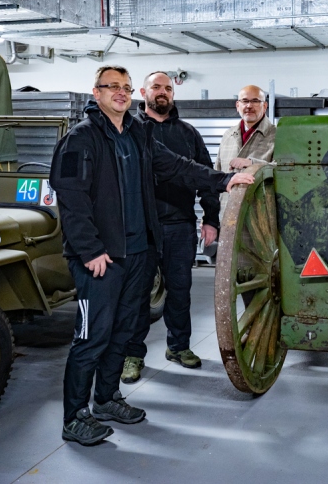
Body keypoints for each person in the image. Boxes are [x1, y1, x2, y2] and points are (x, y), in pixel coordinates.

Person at [50, 65, 253, 447]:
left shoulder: (139, 133)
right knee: (92, 337)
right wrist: (90, 249)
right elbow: (70, 198)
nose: (121, 93)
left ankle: (107, 399)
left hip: (139, 252)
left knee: (123, 332)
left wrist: (223, 180)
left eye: (126, 88)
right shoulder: (82, 139)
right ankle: (74, 416)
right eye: (113, 87)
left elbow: (177, 167)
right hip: (101, 259)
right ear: (96, 93)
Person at [121, 71, 221, 383]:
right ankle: (133, 355)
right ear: (143, 91)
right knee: (137, 294)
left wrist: (211, 219)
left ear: (172, 94)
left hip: (180, 225)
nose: (162, 92)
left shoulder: (188, 133)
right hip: (142, 227)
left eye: (167, 88)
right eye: (156, 87)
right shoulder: (130, 131)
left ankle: (178, 347)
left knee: (180, 290)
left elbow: (206, 177)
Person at [215, 85, 276, 218]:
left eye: (255, 101)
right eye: (244, 101)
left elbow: (287, 171)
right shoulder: (228, 136)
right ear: (238, 105)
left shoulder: (277, 135)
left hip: (259, 220)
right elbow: (215, 179)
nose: (249, 105)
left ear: (265, 106)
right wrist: (208, 219)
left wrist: (252, 163)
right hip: (225, 216)